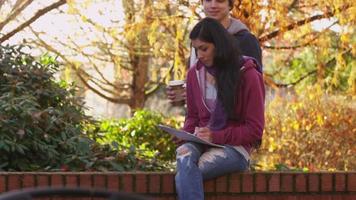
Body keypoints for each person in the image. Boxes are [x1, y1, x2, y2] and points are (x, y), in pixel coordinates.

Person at [174, 17, 265, 200]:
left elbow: (255, 130)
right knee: (184, 156)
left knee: (186, 173)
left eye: (204, 48)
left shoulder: (247, 75)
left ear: (219, 45)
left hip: (234, 148)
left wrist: (216, 136)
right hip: (200, 143)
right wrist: (184, 134)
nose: (199, 55)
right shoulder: (194, 74)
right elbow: (192, 117)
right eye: (196, 49)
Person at [167, 0, 262, 104]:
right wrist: (185, 92)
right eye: (208, 0)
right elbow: (200, 81)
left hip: (232, 118)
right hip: (199, 118)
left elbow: (254, 92)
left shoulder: (245, 40)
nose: (213, 5)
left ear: (230, 4)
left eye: (219, 1)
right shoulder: (198, 40)